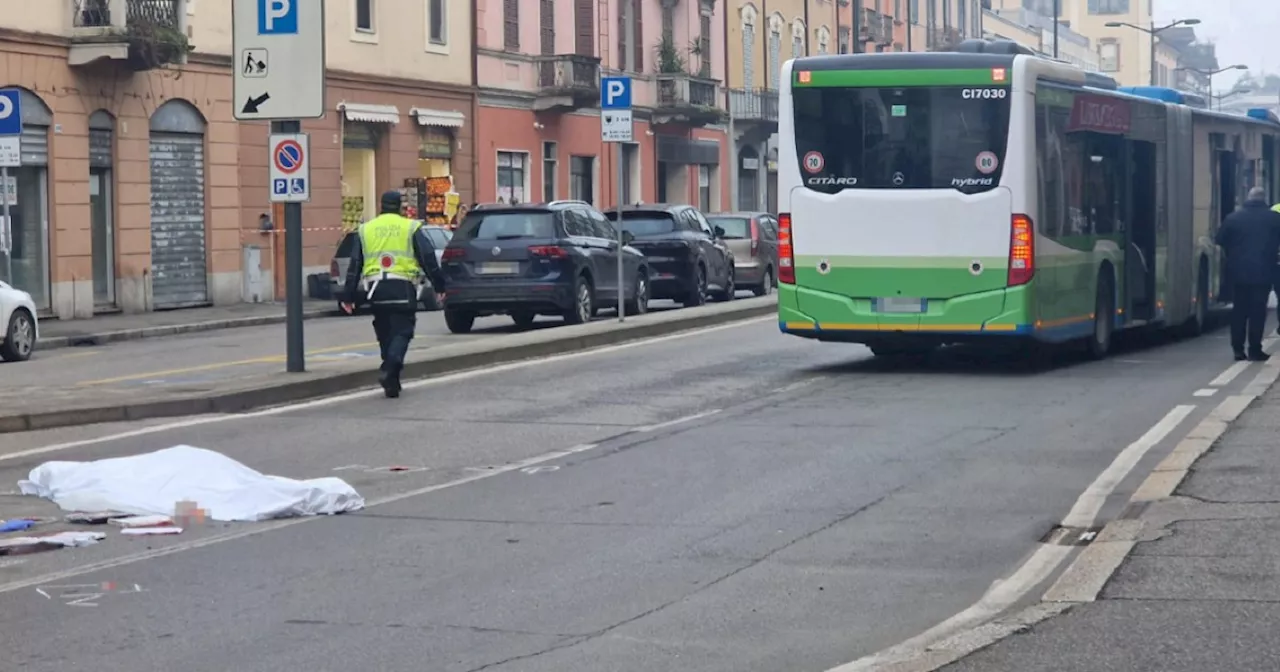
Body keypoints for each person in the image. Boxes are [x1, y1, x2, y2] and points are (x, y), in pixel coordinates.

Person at [341, 191, 447, 397]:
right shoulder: (410, 227)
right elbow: (427, 258)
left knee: (385, 332)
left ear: (381, 205)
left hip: (375, 289)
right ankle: (390, 368)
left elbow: (355, 264)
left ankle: (392, 382)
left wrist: (348, 295)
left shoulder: (366, 229)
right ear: (400, 207)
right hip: (403, 287)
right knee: (403, 331)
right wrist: (439, 286)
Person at [1215, 186, 1280, 361]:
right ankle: (1255, 349)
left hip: (1237, 274)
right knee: (1258, 312)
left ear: (1248, 198)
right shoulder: (1274, 219)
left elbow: (1220, 240)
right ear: (1264, 199)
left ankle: (1237, 349)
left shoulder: (1233, 218)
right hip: (1264, 273)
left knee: (1239, 312)